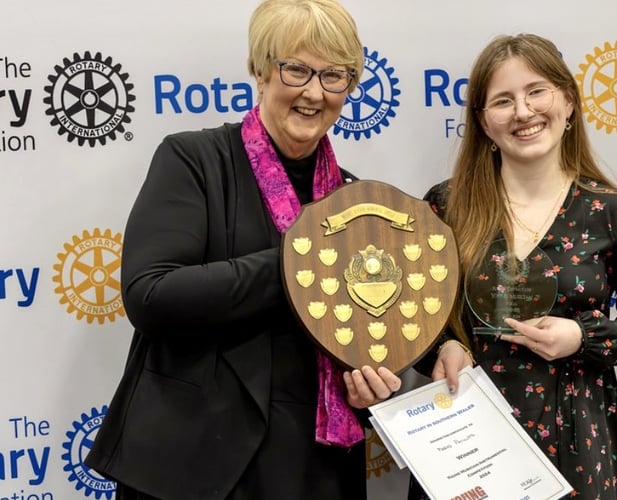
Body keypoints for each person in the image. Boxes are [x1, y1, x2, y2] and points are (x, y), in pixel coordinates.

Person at [84, 1, 402, 499]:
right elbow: (151, 295)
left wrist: (371, 385)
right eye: (296, 69)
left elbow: (365, 334)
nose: (314, 92)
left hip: (311, 470)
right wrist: (304, 262)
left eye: (335, 76)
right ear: (260, 69)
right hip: (192, 463)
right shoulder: (193, 159)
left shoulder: (357, 204)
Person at [408, 33, 617, 499]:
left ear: (569, 102)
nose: (522, 112)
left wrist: (583, 337)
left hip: (579, 446)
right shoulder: (446, 207)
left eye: (536, 91)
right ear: (482, 122)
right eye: (502, 100)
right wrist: (444, 349)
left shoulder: (614, 211)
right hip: (466, 446)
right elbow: (413, 319)